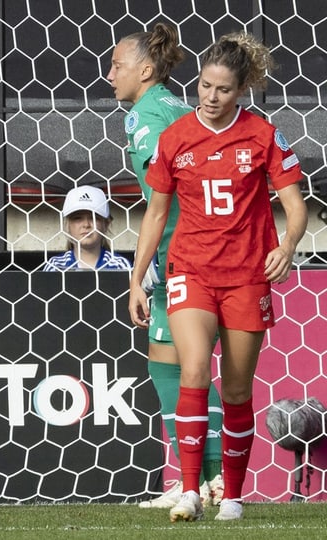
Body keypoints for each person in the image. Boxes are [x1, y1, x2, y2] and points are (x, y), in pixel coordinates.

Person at [128, 31, 308, 522]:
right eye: (205, 86)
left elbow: (295, 206)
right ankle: (189, 491)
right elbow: (156, 214)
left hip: (247, 277)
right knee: (193, 371)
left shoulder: (264, 135)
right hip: (190, 270)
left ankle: (230, 495)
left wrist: (287, 246)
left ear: (241, 91)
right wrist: (136, 278)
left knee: (235, 391)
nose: (210, 97)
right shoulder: (176, 137)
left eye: (222, 90)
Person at [108, 22, 225, 509]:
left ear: (146, 69)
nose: (110, 74)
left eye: (118, 65)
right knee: (169, 365)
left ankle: (211, 477)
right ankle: (197, 478)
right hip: (196, 247)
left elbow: (163, 196)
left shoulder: (146, 118)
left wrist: (147, 265)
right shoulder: (176, 106)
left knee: (189, 369)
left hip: (181, 252)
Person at [41, 185, 132, 271]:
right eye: (77, 218)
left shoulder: (119, 266)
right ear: (67, 225)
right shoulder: (55, 266)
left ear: (106, 224)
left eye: (94, 218)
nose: (86, 225)